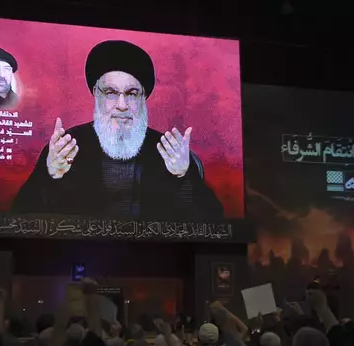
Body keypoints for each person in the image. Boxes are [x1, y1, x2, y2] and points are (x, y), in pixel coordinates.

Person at [11, 40, 224, 221]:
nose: (122, 104)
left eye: (131, 93)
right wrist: (51, 175)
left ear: (143, 98)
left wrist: (182, 176)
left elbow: (213, 224)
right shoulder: (67, 147)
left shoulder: (168, 150)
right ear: (96, 93)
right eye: (111, 92)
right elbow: (21, 218)